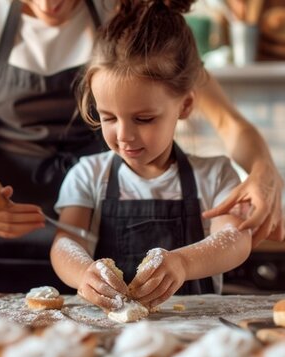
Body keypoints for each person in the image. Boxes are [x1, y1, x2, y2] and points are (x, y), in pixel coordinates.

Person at [0, 0, 279, 293]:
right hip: (12, 217)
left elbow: (227, 123)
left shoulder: (129, 16)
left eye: (142, 119)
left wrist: (263, 171)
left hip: (101, 217)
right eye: (107, 117)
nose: (49, 4)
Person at [51, 0, 252, 310]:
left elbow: (235, 240)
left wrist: (183, 263)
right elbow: (65, 244)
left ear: (184, 105)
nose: (124, 135)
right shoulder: (87, 175)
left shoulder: (214, 175)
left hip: (197, 334)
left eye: (143, 119)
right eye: (108, 117)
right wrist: (83, 274)